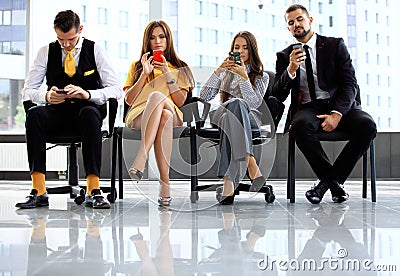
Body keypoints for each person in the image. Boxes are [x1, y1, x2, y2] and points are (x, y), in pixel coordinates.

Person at [16, 10, 122, 209]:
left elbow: (116, 90)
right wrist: (47, 96)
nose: (66, 44)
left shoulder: (95, 49)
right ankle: (38, 190)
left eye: (71, 39)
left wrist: (87, 94)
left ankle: (93, 189)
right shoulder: (45, 52)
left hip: (86, 113)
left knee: (90, 113)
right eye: (61, 39)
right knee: (34, 114)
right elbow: (28, 91)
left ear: (80, 30)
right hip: (57, 113)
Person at [272, 4, 377, 204]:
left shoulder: (334, 45)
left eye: (300, 19)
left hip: (341, 106)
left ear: (310, 20)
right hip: (310, 107)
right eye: (291, 23)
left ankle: (325, 184)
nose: (296, 25)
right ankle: (334, 184)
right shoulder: (284, 56)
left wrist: (337, 114)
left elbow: (350, 84)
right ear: (288, 29)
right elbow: (278, 94)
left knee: (367, 126)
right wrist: (291, 70)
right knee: (299, 126)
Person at [123, 20, 195, 207]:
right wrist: (144, 75)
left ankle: (142, 155)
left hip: (173, 110)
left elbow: (180, 101)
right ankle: (165, 183)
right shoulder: (137, 66)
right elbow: (129, 100)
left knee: (158, 98)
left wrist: (167, 74)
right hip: (141, 114)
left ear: (168, 39)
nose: (157, 41)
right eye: (153, 38)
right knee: (163, 116)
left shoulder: (180, 67)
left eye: (161, 37)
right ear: (147, 42)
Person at [199, 31, 273, 205]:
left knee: (235, 109)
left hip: (249, 120)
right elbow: (204, 96)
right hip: (222, 114)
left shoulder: (262, 76)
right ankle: (250, 161)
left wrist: (244, 77)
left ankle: (228, 181)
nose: (240, 51)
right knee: (231, 110)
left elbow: (253, 103)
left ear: (252, 51)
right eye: (237, 47)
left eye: (245, 48)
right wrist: (219, 71)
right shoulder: (225, 73)